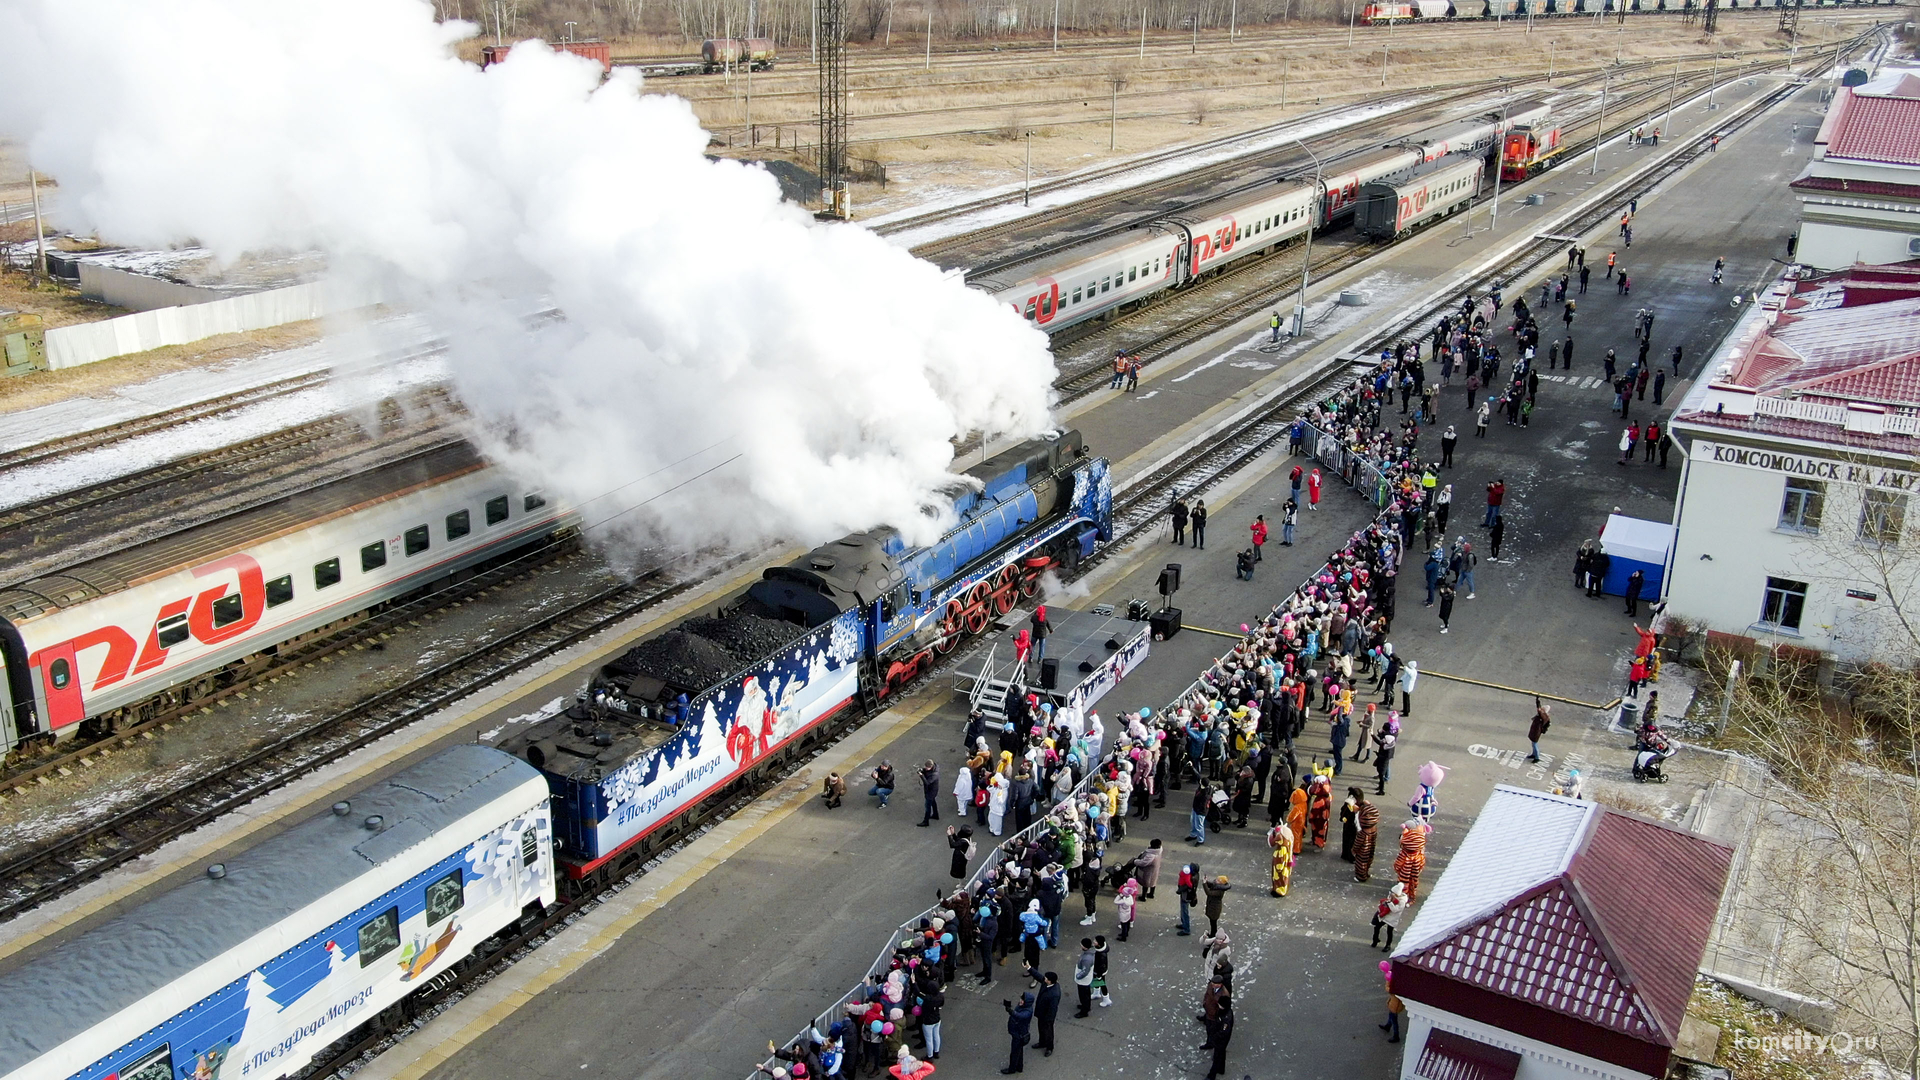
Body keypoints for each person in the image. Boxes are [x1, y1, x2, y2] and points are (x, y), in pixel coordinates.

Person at [1001, 992, 1034, 1074]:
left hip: (1018, 1035)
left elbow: (1019, 1016)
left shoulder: (1027, 1012)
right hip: (1019, 1033)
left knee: (1014, 1053)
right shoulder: (1024, 1007)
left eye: (1023, 1000)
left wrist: (1011, 1011)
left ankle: (1012, 1069)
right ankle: (1019, 1066)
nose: (1020, 1001)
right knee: (1019, 1050)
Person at [1204, 995, 1235, 1079]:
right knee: (1221, 1054)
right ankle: (1221, 1069)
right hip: (1220, 1039)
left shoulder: (1226, 1018)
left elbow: (1224, 1031)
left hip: (1221, 1040)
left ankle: (1212, 1075)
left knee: (1217, 1056)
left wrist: (1214, 1036)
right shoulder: (1225, 1012)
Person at [1371, 881, 1410, 950]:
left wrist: (1389, 903)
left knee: (1389, 932)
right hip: (1386, 915)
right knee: (1377, 927)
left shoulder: (1402, 902)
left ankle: (1388, 945)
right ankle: (1375, 939)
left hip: (1392, 918)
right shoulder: (1392, 896)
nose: (1390, 894)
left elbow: (1395, 910)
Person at [1352, 790, 1380, 881]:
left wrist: (1354, 850)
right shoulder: (1374, 828)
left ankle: (1361, 877)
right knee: (1368, 861)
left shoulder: (1363, 832)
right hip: (1370, 849)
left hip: (1362, 852)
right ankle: (1366, 873)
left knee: (1361, 863)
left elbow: (1358, 842)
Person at [1267, 819, 1296, 896]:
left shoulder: (1281, 843)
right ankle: (1280, 888)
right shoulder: (1288, 843)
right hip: (1285, 860)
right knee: (1284, 876)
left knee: (1279, 877)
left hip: (1280, 864)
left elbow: (1271, 843)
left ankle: (1279, 890)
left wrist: (1278, 867)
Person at [1071, 939, 1095, 1017]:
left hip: (1083, 980)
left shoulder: (1087, 958)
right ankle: (1086, 1006)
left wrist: (1078, 976)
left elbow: (1085, 971)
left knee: (1083, 995)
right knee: (1086, 994)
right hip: (1086, 979)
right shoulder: (1089, 954)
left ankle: (1084, 1011)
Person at [1176, 863, 1198, 936]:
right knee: (1183, 910)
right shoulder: (1195, 875)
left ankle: (1186, 929)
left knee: (1184, 912)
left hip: (1186, 896)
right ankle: (1184, 924)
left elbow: (1187, 886)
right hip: (1187, 896)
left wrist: (1179, 890)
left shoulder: (1191, 878)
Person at [1527, 697, 1551, 763]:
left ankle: (1536, 757)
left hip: (1536, 731)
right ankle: (1534, 754)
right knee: (1533, 743)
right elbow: (1539, 708)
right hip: (1535, 730)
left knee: (1535, 744)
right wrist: (1538, 701)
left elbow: (1538, 708)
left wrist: (1537, 701)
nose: (1541, 710)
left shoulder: (1543, 716)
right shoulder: (1543, 715)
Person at [917, 760, 941, 826]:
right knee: (933, 802)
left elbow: (927, 782)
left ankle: (926, 821)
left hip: (931, 791)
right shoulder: (933, 769)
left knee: (927, 806)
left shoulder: (934, 775)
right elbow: (927, 771)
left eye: (927, 768)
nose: (926, 768)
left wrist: (921, 775)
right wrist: (923, 770)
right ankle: (935, 814)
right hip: (932, 791)